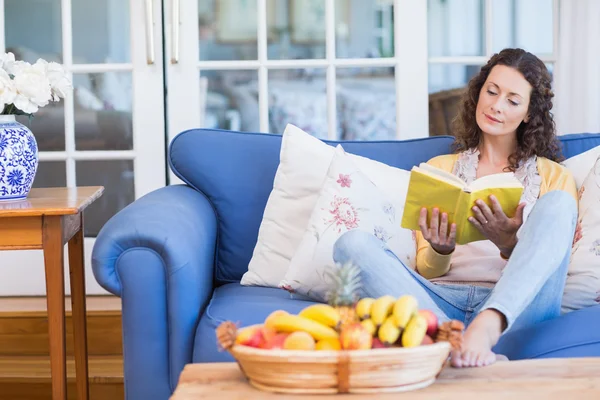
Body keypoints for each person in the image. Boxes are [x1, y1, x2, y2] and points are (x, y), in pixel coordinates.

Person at [333, 48, 578, 368]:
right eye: (491, 91)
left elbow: (552, 263)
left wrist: (508, 246)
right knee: (350, 244)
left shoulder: (554, 176)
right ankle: (450, 341)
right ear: (478, 93)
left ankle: (480, 331)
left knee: (558, 205)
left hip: (514, 313)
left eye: (512, 100)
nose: (496, 105)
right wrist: (440, 248)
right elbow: (427, 269)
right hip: (439, 302)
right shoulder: (439, 168)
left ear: (530, 113)